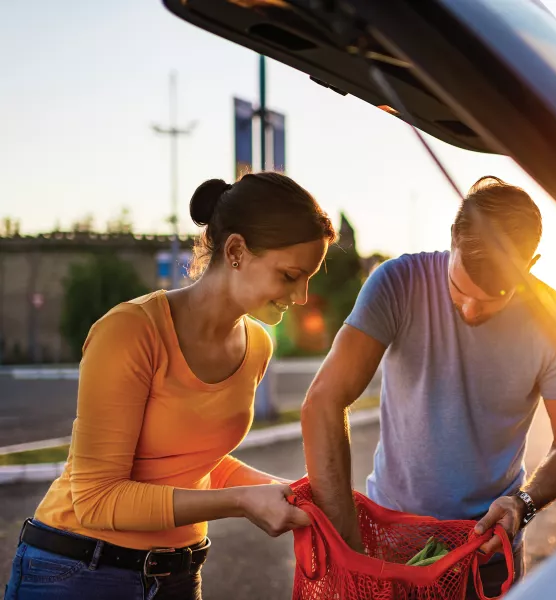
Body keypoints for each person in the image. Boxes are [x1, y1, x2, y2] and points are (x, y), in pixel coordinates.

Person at [4, 172, 336, 600]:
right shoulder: (131, 331)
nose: (303, 296)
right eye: (290, 275)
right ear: (236, 251)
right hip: (77, 572)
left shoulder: (257, 346)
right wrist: (242, 502)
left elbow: (194, 462)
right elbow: (96, 499)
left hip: (178, 577)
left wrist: (289, 493)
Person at [301, 176, 556, 597]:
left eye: (493, 299)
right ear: (453, 236)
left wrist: (522, 505)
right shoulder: (397, 282)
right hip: (390, 546)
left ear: (530, 263)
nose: (470, 310)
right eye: (459, 290)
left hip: (485, 552)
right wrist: (348, 544)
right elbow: (323, 401)